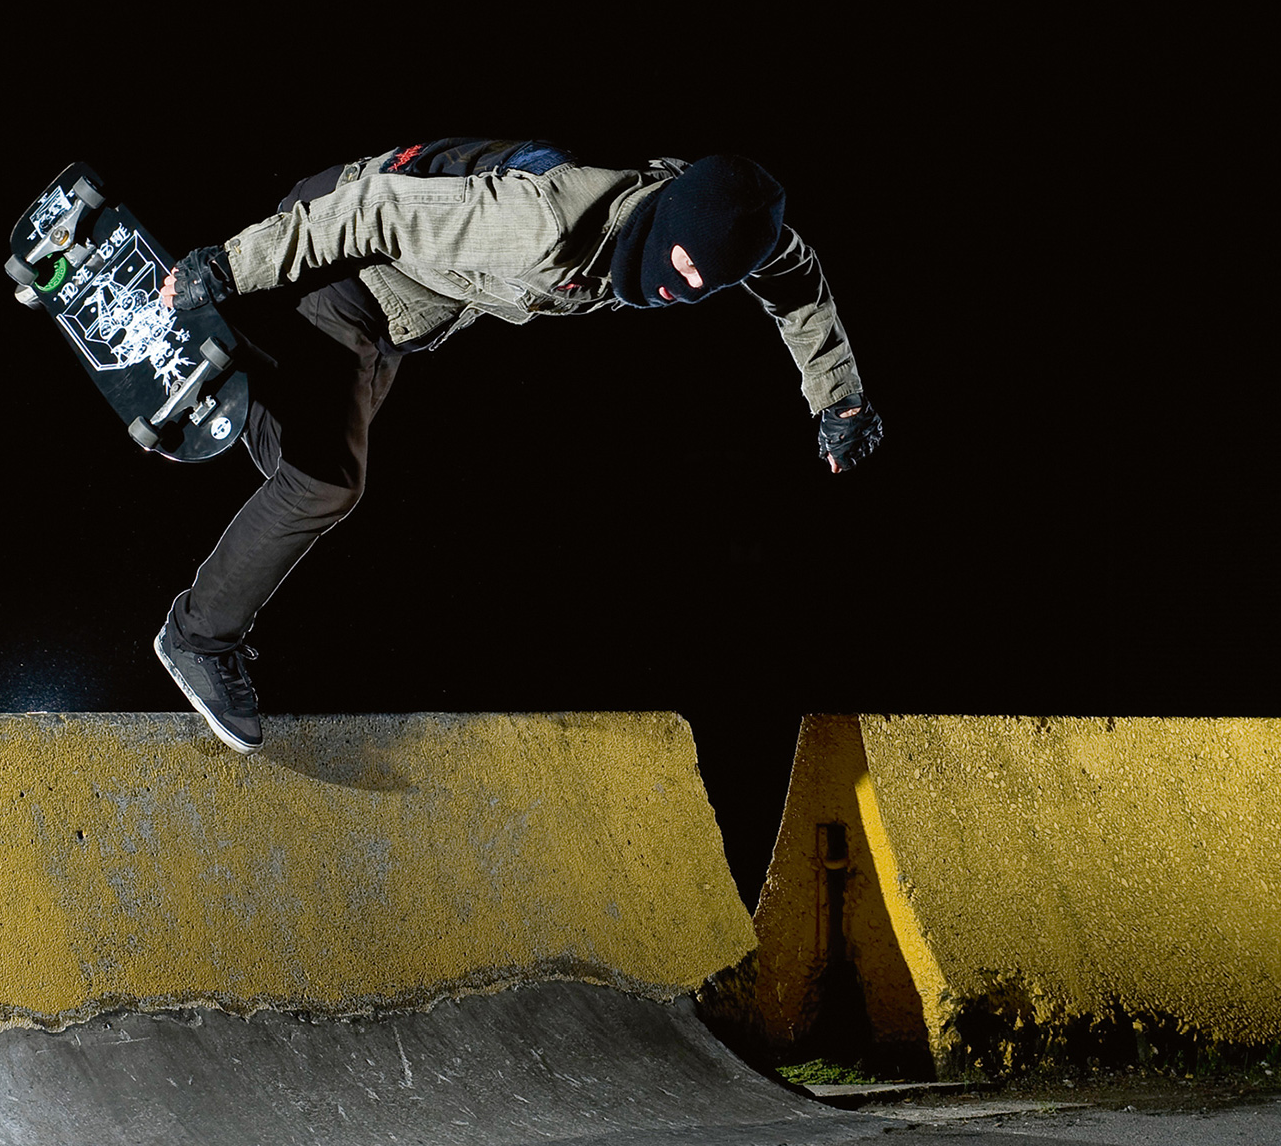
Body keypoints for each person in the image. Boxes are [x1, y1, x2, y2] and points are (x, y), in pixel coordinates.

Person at [151, 138, 883, 752]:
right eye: (683, 262)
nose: (681, 288)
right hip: (349, 263)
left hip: (404, 311)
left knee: (309, 452)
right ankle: (197, 636)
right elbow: (372, 209)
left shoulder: (736, 229)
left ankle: (240, 387)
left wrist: (838, 396)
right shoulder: (540, 225)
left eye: (706, 283)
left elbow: (797, 279)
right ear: (666, 215)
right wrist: (226, 267)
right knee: (323, 481)